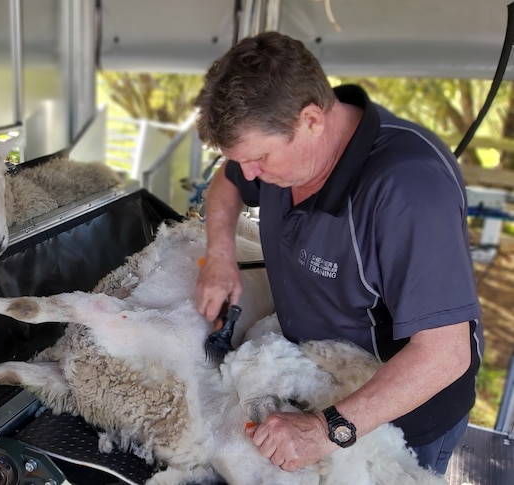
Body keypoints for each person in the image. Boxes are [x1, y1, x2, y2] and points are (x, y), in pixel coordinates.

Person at [194, 31, 483, 476]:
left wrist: (325, 430)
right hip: (319, 377)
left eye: (259, 159)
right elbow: (228, 182)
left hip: (398, 412)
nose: (249, 173)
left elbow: (445, 354)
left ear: (311, 119)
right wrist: (219, 255)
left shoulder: (408, 189)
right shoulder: (283, 157)